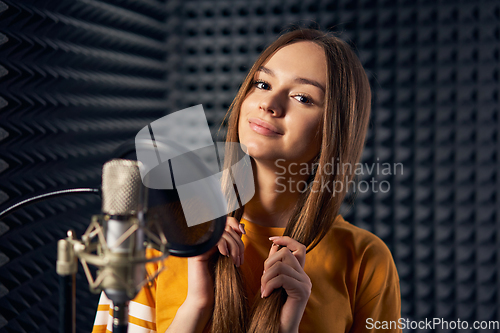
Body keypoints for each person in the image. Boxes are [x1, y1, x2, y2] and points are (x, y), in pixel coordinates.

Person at [92, 28, 401, 333]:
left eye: (303, 97)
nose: (269, 104)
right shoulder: (161, 232)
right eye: (263, 83)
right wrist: (195, 307)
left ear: (335, 128)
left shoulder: (365, 259)